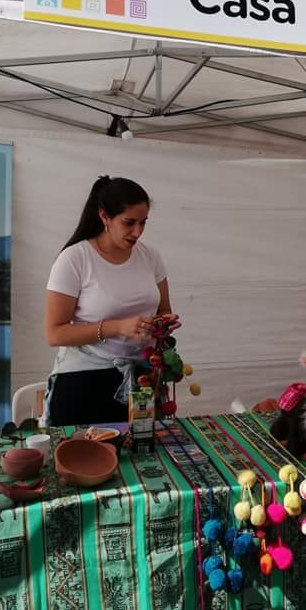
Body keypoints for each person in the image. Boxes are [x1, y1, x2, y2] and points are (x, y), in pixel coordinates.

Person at [43, 176, 180, 426]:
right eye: (129, 222)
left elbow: (163, 309)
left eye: (143, 222)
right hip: (85, 382)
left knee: (145, 446)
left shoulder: (150, 257)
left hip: (143, 378)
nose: (137, 232)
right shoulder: (74, 259)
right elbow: (55, 333)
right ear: (104, 216)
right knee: (88, 450)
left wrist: (162, 323)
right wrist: (117, 328)